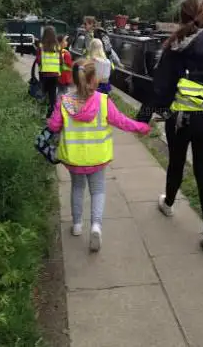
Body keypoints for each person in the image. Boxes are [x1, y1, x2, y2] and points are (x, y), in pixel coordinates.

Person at [136, 0, 203, 253]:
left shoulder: (173, 48)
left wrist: (143, 118)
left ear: (181, 17)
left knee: (176, 163)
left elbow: (160, 90)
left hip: (180, 120)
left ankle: (168, 204)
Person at [48, 59, 150, 252]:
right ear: (94, 80)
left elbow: (53, 126)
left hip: (73, 159)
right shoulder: (103, 101)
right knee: (98, 191)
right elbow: (122, 122)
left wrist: (55, 117)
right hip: (97, 158)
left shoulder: (64, 101)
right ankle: (95, 226)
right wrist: (142, 127)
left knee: (77, 188)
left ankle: (77, 225)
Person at [36, 25, 62, 118]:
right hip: (55, 74)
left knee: (42, 92)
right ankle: (51, 113)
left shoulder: (41, 46)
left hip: (44, 74)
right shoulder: (57, 47)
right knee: (52, 94)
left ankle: (41, 112)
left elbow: (38, 60)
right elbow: (60, 61)